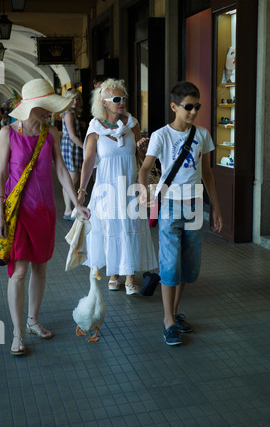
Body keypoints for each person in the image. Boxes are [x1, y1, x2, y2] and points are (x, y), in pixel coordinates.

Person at [0, 78, 90, 356]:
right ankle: (16, 333)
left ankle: (32, 321)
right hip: (18, 213)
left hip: (45, 211)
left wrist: (76, 202)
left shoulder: (52, 133)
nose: (50, 112)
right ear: (31, 106)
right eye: (45, 107)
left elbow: (61, 170)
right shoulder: (7, 132)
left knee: (40, 268)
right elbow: (1, 174)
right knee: (20, 272)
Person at [139, 81, 223, 346]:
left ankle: (174, 313)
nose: (193, 111)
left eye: (197, 106)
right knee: (169, 262)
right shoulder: (161, 135)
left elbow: (207, 173)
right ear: (174, 106)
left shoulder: (203, 134)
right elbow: (144, 169)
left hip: (195, 205)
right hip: (170, 205)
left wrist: (217, 207)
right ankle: (167, 320)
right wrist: (144, 191)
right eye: (188, 107)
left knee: (188, 263)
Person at [77, 78, 157, 294]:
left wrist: (143, 147)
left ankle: (130, 276)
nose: (121, 102)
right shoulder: (94, 128)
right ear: (103, 102)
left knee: (130, 229)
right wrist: (82, 190)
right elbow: (88, 162)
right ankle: (114, 273)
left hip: (130, 186)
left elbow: (142, 157)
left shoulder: (132, 124)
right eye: (116, 99)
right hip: (106, 188)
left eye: (123, 98)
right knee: (111, 229)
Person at [60, 88, 84, 220]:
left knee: (73, 178)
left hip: (72, 147)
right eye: (73, 98)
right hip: (71, 147)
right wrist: (86, 148)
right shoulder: (69, 114)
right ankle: (68, 210)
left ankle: (70, 209)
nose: (75, 101)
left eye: (77, 98)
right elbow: (73, 136)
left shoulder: (72, 113)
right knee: (72, 179)